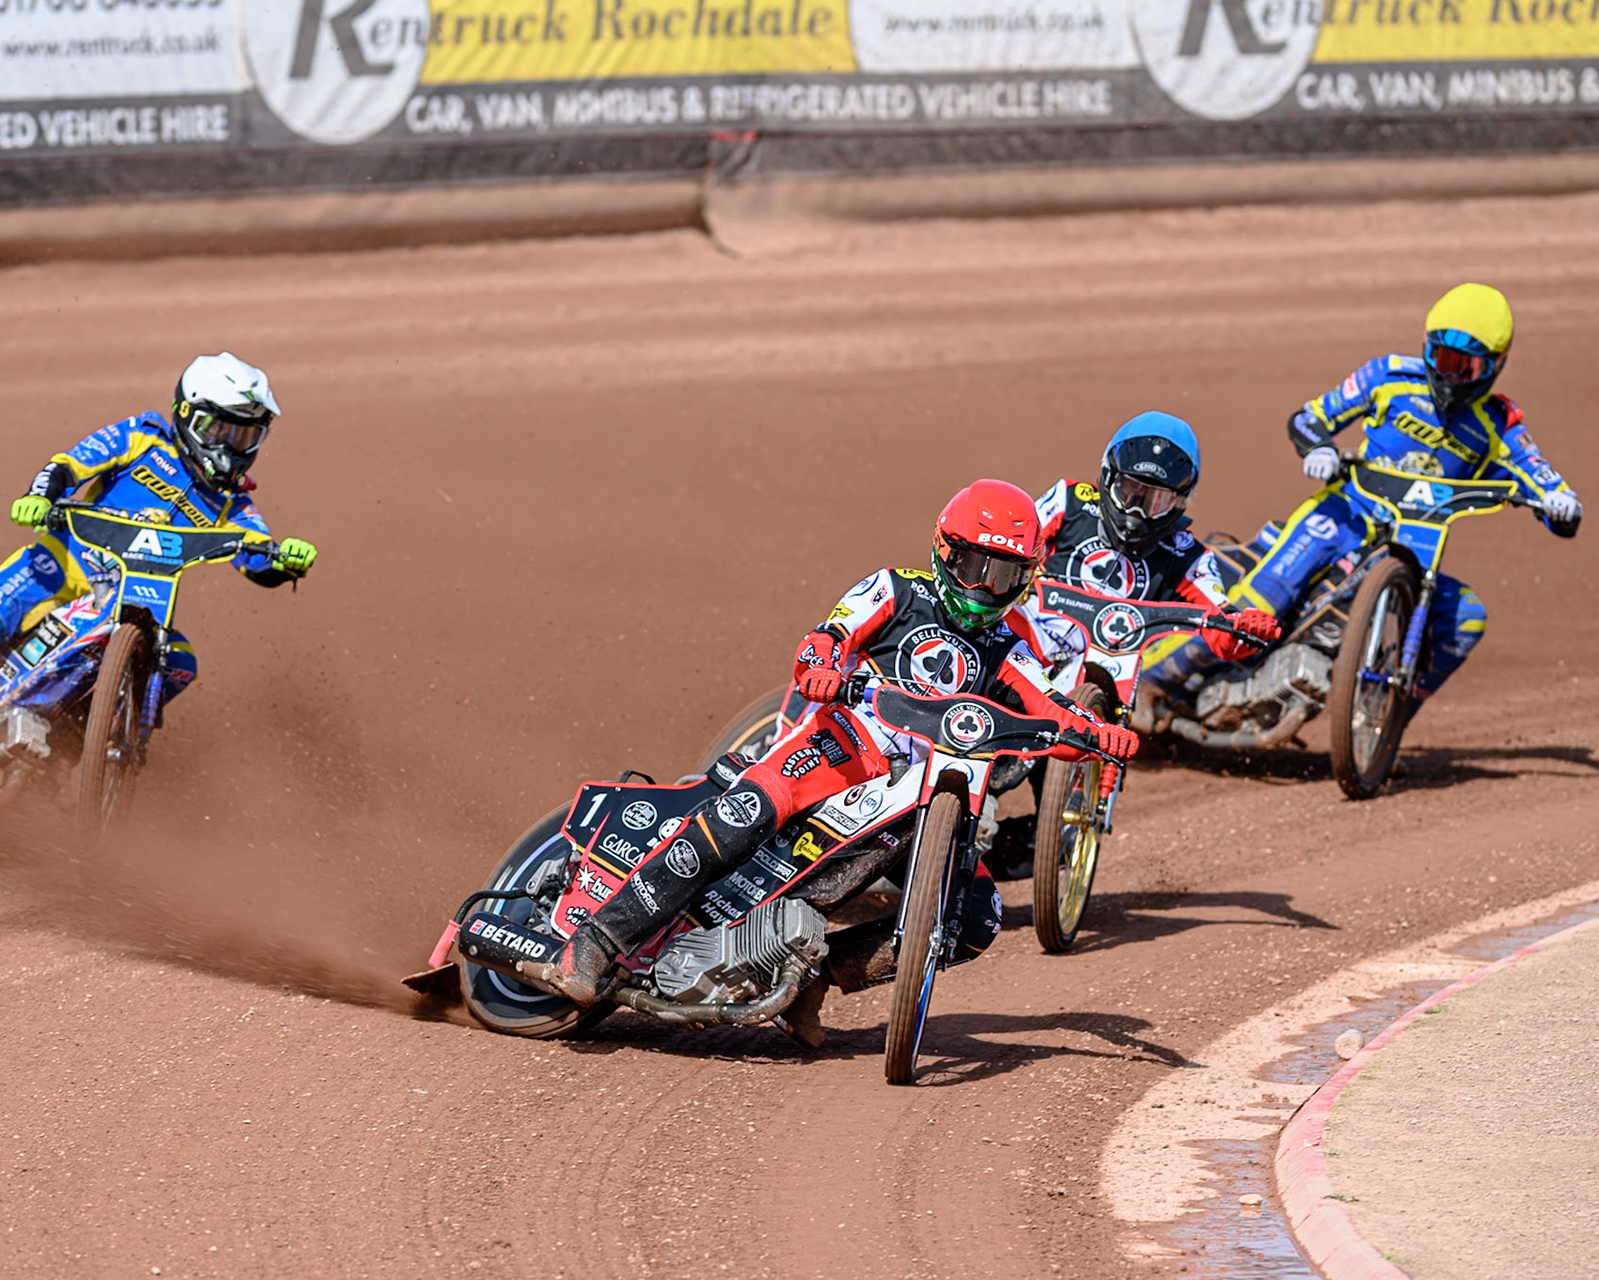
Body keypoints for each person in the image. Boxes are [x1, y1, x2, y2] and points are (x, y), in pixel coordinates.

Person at [518, 480, 1139, 1028]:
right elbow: (827, 636)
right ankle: (596, 943)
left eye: (1003, 574)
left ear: (1024, 580)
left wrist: (1096, 732)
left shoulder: (1013, 642)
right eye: (974, 565)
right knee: (747, 812)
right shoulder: (894, 589)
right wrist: (820, 668)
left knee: (975, 921)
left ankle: (814, 981)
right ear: (945, 551)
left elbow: (1051, 706)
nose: (984, 587)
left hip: (933, 791)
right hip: (845, 744)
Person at [0, 352, 317, 820]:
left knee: (179, 662)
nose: (232, 448)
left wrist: (284, 561)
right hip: (52, 572)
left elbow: (257, 558)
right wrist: (39, 497)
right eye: (221, 429)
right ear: (187, 415)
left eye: (246, 437)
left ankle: (66, 755)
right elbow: (68, 464)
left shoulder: (232, 506)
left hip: (131, 605)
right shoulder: (144, 437)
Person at [1150, 283, 1579, 698]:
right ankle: (1152, 682)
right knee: (1262, 598)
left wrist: (1560, 505)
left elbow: (1544, 481)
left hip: (1415, 544)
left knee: (1465, 619)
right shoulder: (1388, 376)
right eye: (1441, 358)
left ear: (1494, 366)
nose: (1449, 375)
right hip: (1343, 514)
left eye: (1464, 367)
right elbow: (1310, 418)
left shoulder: (1499, 424)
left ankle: (1382, 731)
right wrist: (1319, 448)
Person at [987, 412, 1279, 875]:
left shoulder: (1187, 555)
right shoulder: (1069, 501)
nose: (1138, 509)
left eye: (1156, 499)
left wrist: (1243, 631)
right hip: (1016, 653)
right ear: (1107, 478)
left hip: (1098, 683)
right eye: (1130, 492)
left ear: (1180, 502)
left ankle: (979, 860)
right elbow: (1016, 541)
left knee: (1063, 842)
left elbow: (1219, 620)